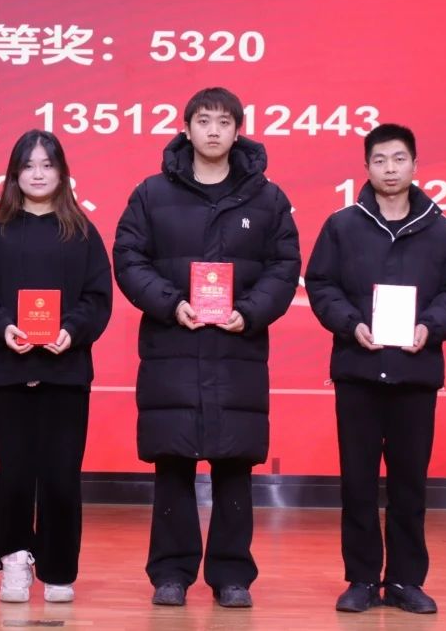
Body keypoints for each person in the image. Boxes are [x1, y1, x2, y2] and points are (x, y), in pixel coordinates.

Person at [113, 86, 300, 609]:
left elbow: (285, 267)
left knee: (234, 465)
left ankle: (232, 574)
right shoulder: (152, 194)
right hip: (173, 346)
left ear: (238, 131)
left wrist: (251, 311)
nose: (213, 131)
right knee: (172, 463)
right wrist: (171, 303)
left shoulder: (267, 198)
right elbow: (128, 258)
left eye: (223, 122)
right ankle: (170, 574)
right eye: (203, 121)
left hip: (237, 351)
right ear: (187, 129)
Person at [305, 123, 446, 614]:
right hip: (358, 371)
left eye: (399, 159)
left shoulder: (443, 231)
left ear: (416, 165)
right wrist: (351, 324)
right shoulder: (342, 226)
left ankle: (404, 581)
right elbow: (321, 285)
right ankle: (361, 579)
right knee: (357, 482)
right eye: (379, 160)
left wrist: (429, 327)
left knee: (409, 484)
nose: (390, 169)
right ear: (366, 168)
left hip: (415, 375)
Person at [0, 130, 113, 604]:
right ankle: (14, 560)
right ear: (14, 174)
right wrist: (2, 328)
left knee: (60, 474)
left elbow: (98, 298)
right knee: (14, 473)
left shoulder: (82, 231)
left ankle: (58, 568)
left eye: (47, 165)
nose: (37, 174)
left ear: (62, 172)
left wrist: (72, 330)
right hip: (7, 371)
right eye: (28, 165)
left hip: (65, 372)